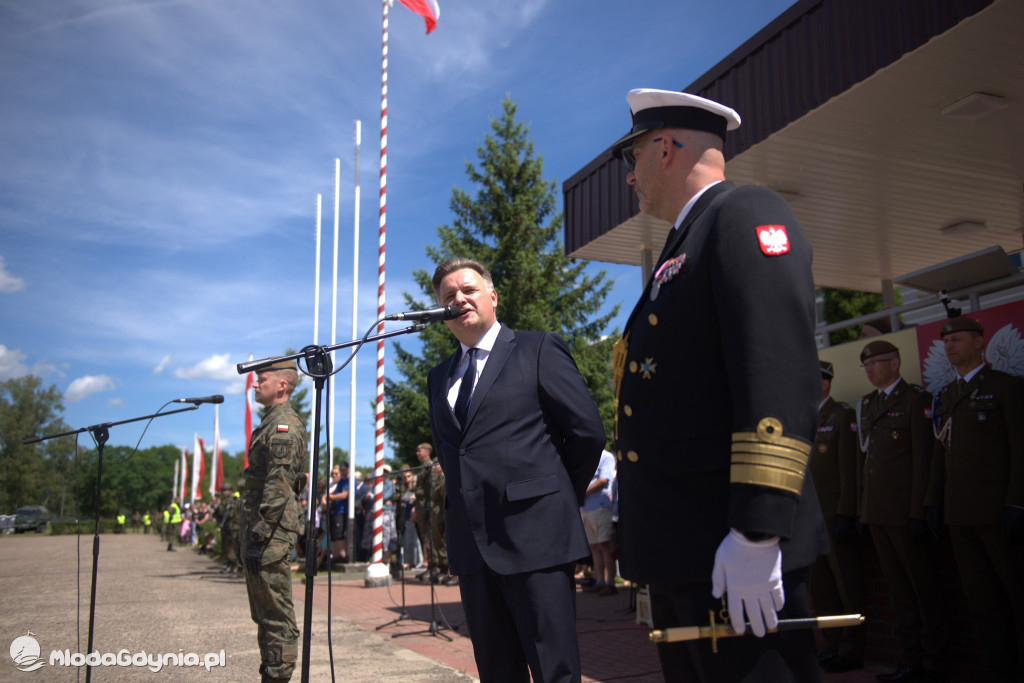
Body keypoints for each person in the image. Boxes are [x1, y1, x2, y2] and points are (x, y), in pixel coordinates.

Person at [609, 88, 828, 682]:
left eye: (631, 159)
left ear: (665, 147)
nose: (630, 179)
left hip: (730, 545)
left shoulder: (744, 213)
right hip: (689, 548)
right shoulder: (686, 243)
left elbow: (777, 378)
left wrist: (758, 529)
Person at [426, 257, 605, 683]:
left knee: (553, 671)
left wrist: (555, 497)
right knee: (496, 671)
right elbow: (454, 455)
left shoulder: (537, 348)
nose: (459, 299)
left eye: (468, 290)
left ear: (493, 295)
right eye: (448, 296)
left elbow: (586, 433)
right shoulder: (438, 378)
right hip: (473, 550)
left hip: (537, 539)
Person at [926, 316, 1024, 681]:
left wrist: (1016, 503)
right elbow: (940, 454)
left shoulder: (1005, 388)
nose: (950, 346)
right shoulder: (946, 395)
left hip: (998, 513)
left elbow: (1020, 448)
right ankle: (1002, 670)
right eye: (946, 340)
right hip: (959, 515)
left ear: (980, 342)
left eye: (958, 339)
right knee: (982, 602)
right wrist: (932, 502)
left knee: (1016, 596)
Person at [857, 340, 946, 682]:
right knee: (900, 592)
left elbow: (923, 461)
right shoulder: (867, 404)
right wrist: (863, 511)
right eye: (866, 365)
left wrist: (918, 511)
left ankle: (934, 663)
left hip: (904, 513)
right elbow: (867, 463)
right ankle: (910, 660)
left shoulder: (914, 400)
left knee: (923, 590)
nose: (870, 370)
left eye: (876, 363)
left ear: (895, 363)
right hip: (877, 513)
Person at [242, 358, 308, 683]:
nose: (255, 384)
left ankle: (278, 676)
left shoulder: (284, 425)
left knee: (276, 613)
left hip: (270, 536)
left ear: (282, 385)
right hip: (262, 533)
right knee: (264, 613)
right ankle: (271, 671)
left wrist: (259, 534)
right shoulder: (270, 423)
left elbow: (278, 485)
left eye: (262, 379)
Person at [809, 360, 866, 673]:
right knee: (822, 588)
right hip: (810, 521)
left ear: (826, 383)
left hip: (834, 517)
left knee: (847, 585)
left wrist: (846, 511)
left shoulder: (841, 415)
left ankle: (851, 649)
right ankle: (832, 644)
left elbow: (849, 470)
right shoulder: (801, 417)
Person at [580, 449, 617, 596]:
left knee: (604, 545)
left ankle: (610, 583)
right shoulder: (586, 456)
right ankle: (599, 581)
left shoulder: (606, 456)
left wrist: (580, 492)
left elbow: (603, 481)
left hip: (600, 505)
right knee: (594, 546)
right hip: (586, 508)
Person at [411, 443, 448, 582]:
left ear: (427, 451)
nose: (417, 453)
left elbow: (430, 490)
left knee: (438, 537)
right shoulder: (425, 467)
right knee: (428, 537)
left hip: (434, 506)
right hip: (427, 506)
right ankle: (434, 566)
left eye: (419, 450)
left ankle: (441, 567)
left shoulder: (430, 466)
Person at [327, 464, 349, 563]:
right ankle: (335, 555)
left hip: (342, 511)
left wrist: (331, 497)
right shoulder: (340, 482)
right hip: (336, 511)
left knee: (340, 534)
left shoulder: (347, 481)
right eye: (333, 473)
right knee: (335, 534)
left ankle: (341, 555)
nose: (334, 475)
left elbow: (344, 495)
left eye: (337, 473)